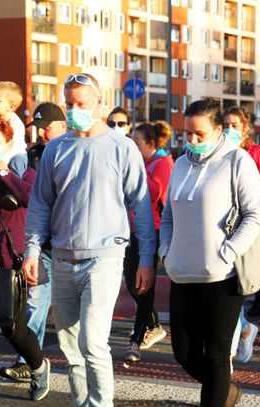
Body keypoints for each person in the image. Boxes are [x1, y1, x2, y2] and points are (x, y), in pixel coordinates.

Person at [23, 72, 156, 406]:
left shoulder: (121, 147)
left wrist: (146, 260)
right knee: (70, 347)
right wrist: (32, 250)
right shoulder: (56, 148)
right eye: (69, 104)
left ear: (99, 102)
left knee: (93, 342)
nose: (73, 110)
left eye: (80, 104)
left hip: (105, 257)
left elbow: (140, 206)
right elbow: (41, 204)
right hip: (63, 259)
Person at [160, 98, 260, 406]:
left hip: (222, 275)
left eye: (199, 134)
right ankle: (225, 393)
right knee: (184, 352)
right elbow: (168, 215)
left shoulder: (237, 161)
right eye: (186, 134)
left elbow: (255, 214)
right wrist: (166, 252)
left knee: (218, 354)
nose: (191, 141)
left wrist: (228, 252)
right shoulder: (180, 164)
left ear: (218, 130)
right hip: (181, 271)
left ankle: (217, 397)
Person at [0, 117, 50, 406]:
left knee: (11, 327)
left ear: (8, 144)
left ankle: (39, 366)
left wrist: (2, 171)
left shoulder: (22, 171)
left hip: (8, 260)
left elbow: (29, 197)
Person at [0, 102, 67, 382]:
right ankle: (27, 362)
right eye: (37, 128)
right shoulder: (29, 157)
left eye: (46, 128)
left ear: (63, 126)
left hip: (73, 244)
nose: (40, 134)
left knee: (76, 314)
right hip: (42, 243)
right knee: (36, 303)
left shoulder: (73, 152)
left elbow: (35, 193)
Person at [222, 105, 260, 365]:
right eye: (225, 124)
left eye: (234, 125)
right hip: (221, 232)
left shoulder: (259, 154)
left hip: (249, 231)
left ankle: (228, 353)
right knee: (226, 291)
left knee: (237, 289)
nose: (229, 129)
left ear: (245, 128)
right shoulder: (218, 153)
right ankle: (243, 329)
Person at [124, 121, 174, 363]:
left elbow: (154, 194)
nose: (133, 148)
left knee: (144, 286)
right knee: (133, 283)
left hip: (152, 229)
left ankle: (136, 339)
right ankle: (153, 324)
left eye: (137, 144)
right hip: (132, 228)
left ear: (150, 144)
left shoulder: (163, 163)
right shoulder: (146, 162)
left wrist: (138, 170)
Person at [0, 81, 27, 161]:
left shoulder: (16, 124)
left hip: (13, 155)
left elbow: (16, 146)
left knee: (18, 159)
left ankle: (17, 174)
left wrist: (4, 161)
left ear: (11, 106)